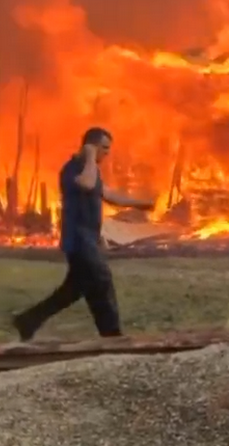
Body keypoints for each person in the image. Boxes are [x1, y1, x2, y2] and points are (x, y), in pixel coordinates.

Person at [10, 127, 155, 340]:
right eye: (104, 148)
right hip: (78, 241)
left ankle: (28, 321)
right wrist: (88, 155)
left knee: (74, 289)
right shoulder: (72, 169)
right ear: (91, 146)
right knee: (102, 279)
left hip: (89, 240)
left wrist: (142, 204)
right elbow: (87, 184)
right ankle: (112, 335)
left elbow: (110, 194)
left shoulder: (91, 170)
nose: (107, 153)